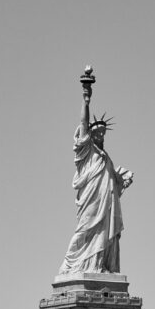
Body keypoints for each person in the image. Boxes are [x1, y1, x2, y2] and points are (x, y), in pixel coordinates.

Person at [59, 81, 134, 274]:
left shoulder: (105, 157)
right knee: (85, 231)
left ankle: (99, 265)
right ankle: (75, 266)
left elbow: (111, 181)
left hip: (106, 203)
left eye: (103, 133)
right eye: (96, 133)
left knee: (104, 234)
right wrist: (86, 99)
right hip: (91, 203)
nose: (100, 136)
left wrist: (120, 179)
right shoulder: (86, 153)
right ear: (90, 135)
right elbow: (83, 124)